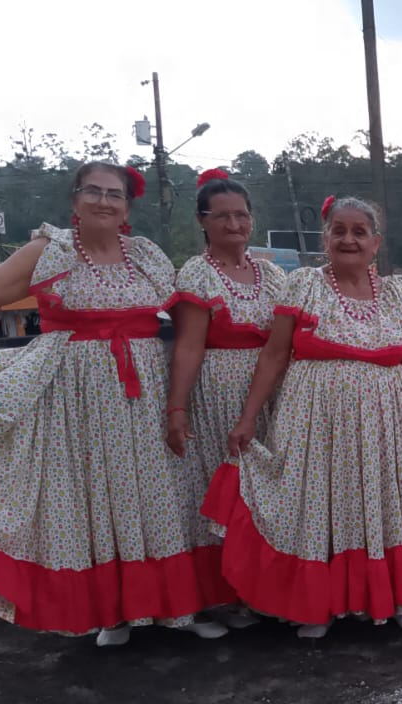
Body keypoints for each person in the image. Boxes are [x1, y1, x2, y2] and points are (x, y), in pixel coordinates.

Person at [0, 161, 224, 645]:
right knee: (92, 499)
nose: (103, 201)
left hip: (148, 395)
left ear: (126, 208)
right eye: (93, 191)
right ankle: (113, 613)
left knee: (162, 493)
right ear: (75, 200)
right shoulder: (49, 251)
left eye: (114, 194)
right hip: (74, 398)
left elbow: (189, 323)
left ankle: (180, 605)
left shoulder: (147, 256)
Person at [202, 196, 402, 639]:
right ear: (325, 239)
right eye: (339, 231)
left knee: (389, 501)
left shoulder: (397, 294)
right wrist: (248, 418)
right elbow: (274, 355)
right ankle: (319, 605)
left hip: (390, 424)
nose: (349, 240)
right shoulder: (303, 286)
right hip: (317, 424)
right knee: (321, 505)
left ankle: (397, 597)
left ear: (375, 243)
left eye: (359, 232)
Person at [165, 169, 288, 624]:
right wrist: (177, 407)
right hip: (220, 389)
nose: (234, 225)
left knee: (271, 486)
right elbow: (189, 346)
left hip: (274, 389)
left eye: (241, 215)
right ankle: (229, 592)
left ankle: (271, 588)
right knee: (228, 488)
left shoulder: (272, 274)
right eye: (222, 216)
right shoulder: (197, 274)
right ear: (203, 221)